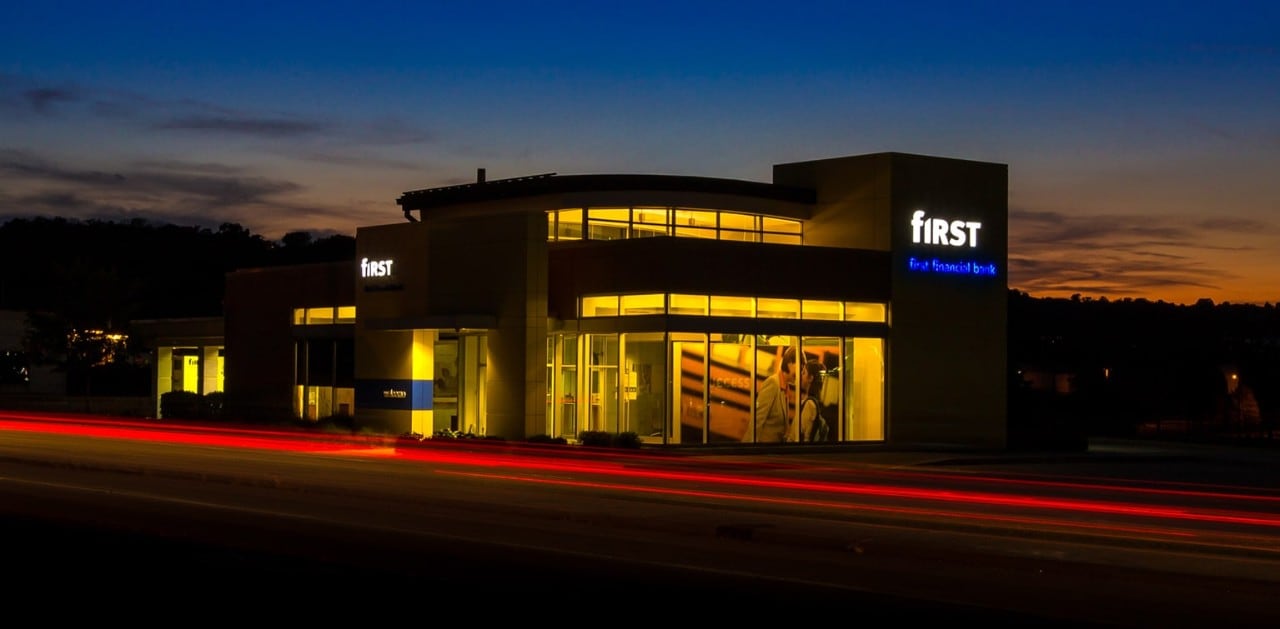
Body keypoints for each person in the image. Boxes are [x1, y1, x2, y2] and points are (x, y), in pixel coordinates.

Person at [754, 346, 797, 442]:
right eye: (800, 367)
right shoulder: (773, 383)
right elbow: (757, 421)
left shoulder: (785, 388)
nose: (800, 373)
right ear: (789, 363)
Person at [798, 360, 829, 442]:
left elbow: (799, 434)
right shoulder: (813, 402)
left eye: (804, 372)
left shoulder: (809, 404)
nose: (801, 375)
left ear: (810, 378)